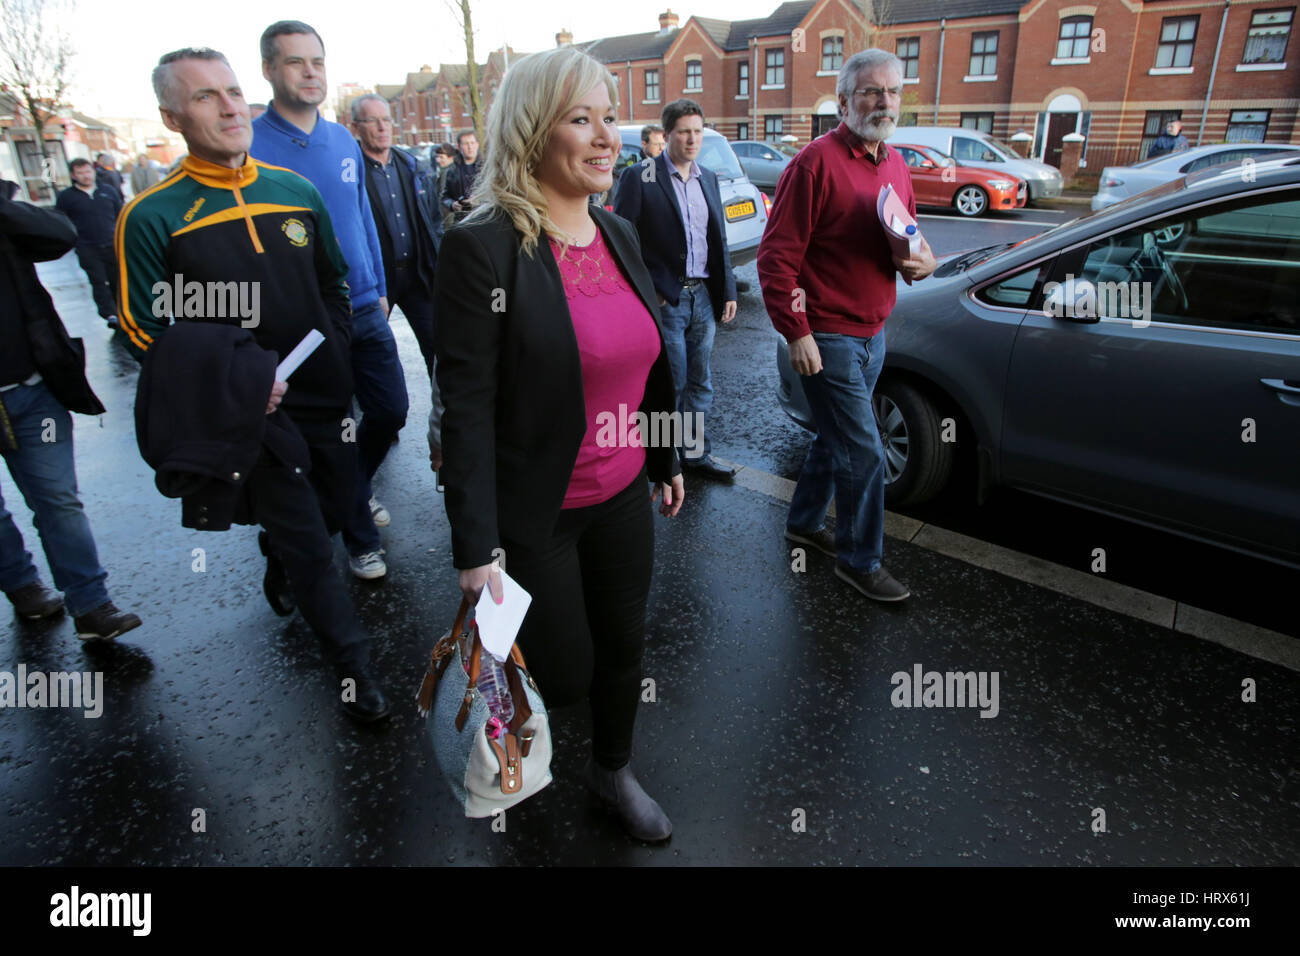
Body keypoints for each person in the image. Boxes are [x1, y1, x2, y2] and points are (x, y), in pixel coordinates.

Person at [435, 46, 683, 842]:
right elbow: (466, 408)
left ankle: (612, 771)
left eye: (609, 116)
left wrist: (667, 454)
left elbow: (648, 362)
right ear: (533, 132)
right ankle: (516, 755)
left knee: (624, 647)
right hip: (532, 515)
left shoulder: (616, 231)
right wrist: (475, 548)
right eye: (582, 118)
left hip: (621, 493)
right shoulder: (485, 248)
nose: (607, 136)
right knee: (566, 669)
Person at [116, 47, 390, 722]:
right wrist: (239, 383)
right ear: (172, 115)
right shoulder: (152, 215)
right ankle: (355, 675)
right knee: (312, 549)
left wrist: (334, 344)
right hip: (253, 418)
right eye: (206, 96)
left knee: (337, 507)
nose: (230, 105)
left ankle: (278, 557)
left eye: (233, 90)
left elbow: (332, 279)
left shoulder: (293, 191)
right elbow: (141, 327)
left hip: (327, 399)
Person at [758, 48, 937, 602]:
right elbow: (775, 259)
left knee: (832, 437)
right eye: (870, 92)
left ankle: (804, 522)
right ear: (843, 101)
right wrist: (798, 332)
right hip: (828, 335)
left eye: (892, 92)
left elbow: (910, 239)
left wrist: (921, 263)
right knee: (864, 451)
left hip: (873, 334)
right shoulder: (814, 164)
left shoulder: (896, 163)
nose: (884, 102)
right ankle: (860, 561)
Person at [251, 20, 408, 580]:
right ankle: (360, 538)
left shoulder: (343, 139)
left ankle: (345, 499)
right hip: (304, 318)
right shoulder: (250, 145)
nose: (310, 71)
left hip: (366, 304)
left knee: (391, 410)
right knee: (335, 428)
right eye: (295, 62)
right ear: (269, 69)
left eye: (317, 60)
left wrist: (380, 283)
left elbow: (361, 214)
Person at [0, 180, 141, 640]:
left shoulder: (6, 215)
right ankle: (22, 584)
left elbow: (59, 235)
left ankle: (92, 605)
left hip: (32, 389)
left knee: (58, 500)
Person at [613, 98, 738, 481]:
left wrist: (729, 289)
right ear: (667, 135)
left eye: (698, 131)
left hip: (703, 297)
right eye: (684, 131)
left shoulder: (708, 179)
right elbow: (622, 240)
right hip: (665, 300)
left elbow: (718, 240)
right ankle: (663, 462)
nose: (692, 139)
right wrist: (649, 292)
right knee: (670, 382)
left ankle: (696, 456)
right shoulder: (641, 177)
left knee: (701, 380)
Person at [351, 94, 443, 379]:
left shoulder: (411, 166)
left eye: (387, 119)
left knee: (438, 350)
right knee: (373, 357)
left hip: (417, 274)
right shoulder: (351, 171)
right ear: (356, 128)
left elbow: (434, 219)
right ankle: (380, 418)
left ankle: (445, 417)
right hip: (378, 281)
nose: (382, 127)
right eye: (373, 121)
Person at [55, 158, 122, 329]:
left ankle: (122, 310)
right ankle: (110, 314)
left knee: (118, 280)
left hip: (111, 243)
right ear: (73, 175)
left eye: (88, 171)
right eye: (80, 173)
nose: (86, 176)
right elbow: (61, 221)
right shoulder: (66, 197)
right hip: (87, 247)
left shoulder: (108, 191)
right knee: (99, 281)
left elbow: (120, 214)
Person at [442, 129, 482, 223]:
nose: (470, 147)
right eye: (466, 144)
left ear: (477, 144)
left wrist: (479, 200)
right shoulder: (452, 170)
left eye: (472, 143)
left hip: (483, 218)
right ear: (459, 147)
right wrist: (452, 204)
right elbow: (444, 196)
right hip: (461, 219)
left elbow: (496, 193)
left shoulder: (487, 167)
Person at [433, 143, 457, 232]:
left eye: (441, 157)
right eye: (437, 157)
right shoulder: (448, 170)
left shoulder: (447, 172)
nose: (438, 160)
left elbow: (443, 197)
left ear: (451, 158)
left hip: (448, 217)